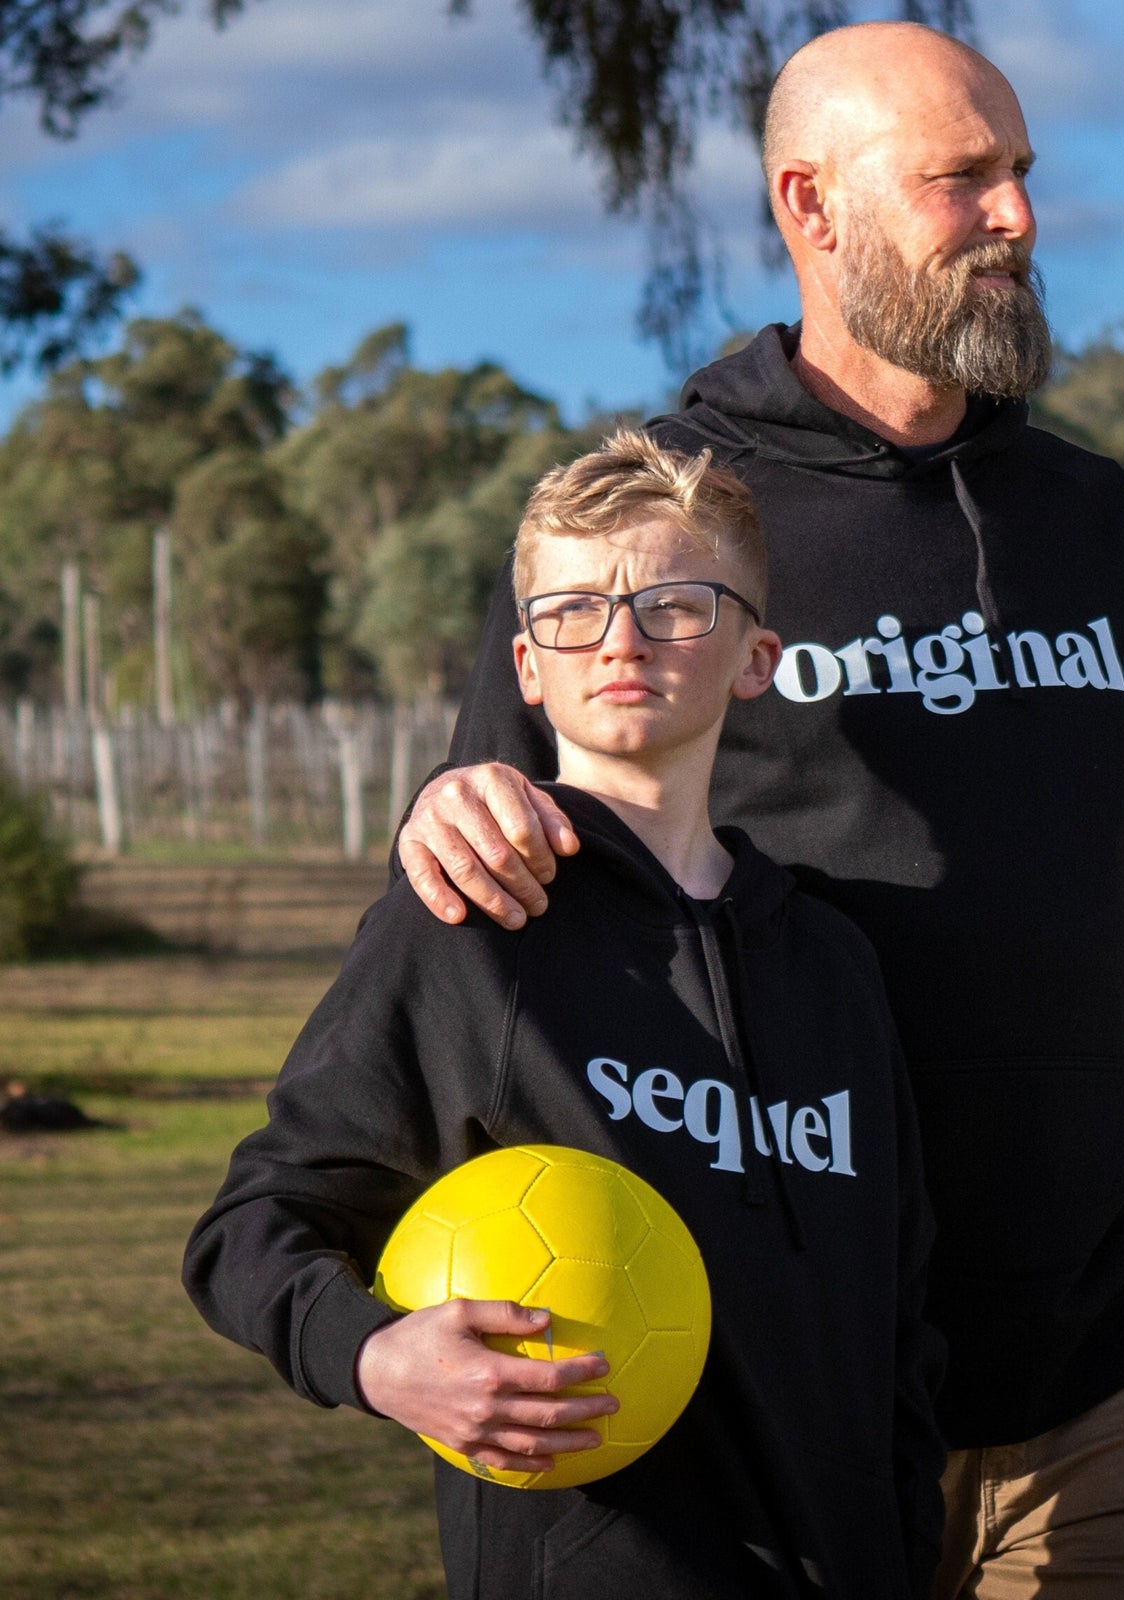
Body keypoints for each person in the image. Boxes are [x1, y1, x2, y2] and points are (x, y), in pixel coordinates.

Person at [398, 22, 1124, 1598]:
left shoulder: (1097, 526)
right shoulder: (671, 516)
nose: (1019, 218)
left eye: (1022, 174)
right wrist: (451, 811)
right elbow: (494, 874)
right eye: (962, 180)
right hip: (770, 1400)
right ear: (811, 209)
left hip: (1093, 1389)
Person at [184, 432, 947, 1600]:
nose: (622, 640)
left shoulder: (835, 965)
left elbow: (897, 1334)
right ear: (527, 667)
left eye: (678, 604)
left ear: (757, 657)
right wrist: (377, 1352)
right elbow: (249, 1225)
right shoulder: (471, 926)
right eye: (574, 611)